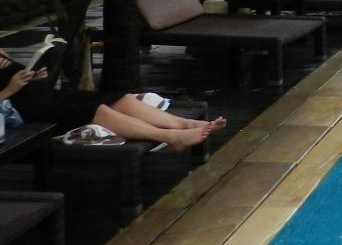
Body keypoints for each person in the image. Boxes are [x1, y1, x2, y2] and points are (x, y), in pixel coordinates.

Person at [0, 51, 225, 149]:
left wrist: (35, 76)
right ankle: (171, 137)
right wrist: (10, 89)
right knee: (99, 111)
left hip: (44, 95)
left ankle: (185, 124)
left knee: (120, 98)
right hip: (27, 111)